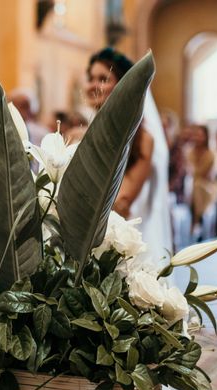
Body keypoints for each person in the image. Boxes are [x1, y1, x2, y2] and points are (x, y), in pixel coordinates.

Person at [83, 47, 172, 259]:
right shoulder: (83, 133)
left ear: (124, 86)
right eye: (91, 78)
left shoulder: (143, 140)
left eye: (103, 79)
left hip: (124, 246)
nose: (93, 85)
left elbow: (123, 202)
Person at [187, 125, 216, 241]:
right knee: (194, 187)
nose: (198, 138)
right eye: (196, 135)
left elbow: (204, 174)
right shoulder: (189, 152)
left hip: (207, 187)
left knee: (198, 187)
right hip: (191, 185)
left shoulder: (210, 154)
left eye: (201, 135)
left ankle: (196, 220)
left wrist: (194, 174)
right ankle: (198, 219)